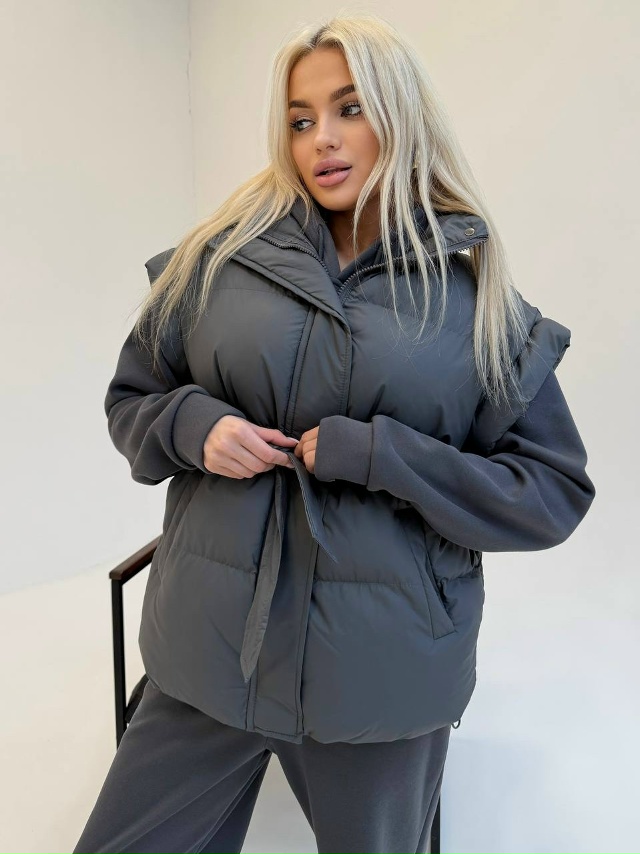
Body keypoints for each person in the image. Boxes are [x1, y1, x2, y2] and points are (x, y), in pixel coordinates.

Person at [72, 13, 596, 854]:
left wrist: (389, 456)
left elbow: (550, 492)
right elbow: (132, 401)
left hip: (379, 682)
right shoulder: (216, 261)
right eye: (300, 118)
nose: (323, 138)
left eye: (350, 108)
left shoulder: (477, 305)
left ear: (400, 113)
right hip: (207, 656)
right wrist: (194, 426)